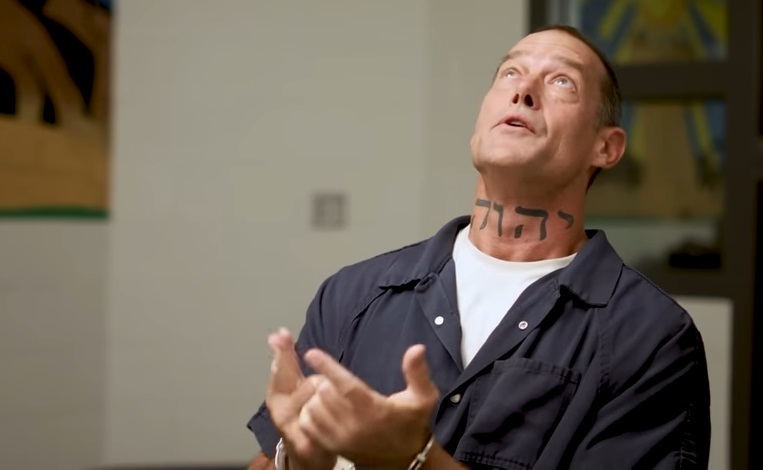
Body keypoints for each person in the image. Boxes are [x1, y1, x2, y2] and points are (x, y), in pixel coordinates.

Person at [246, 24, 711, 470]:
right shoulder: (353, 296)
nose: (523, 90)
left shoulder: (651, 337)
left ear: (606, 148)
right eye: (510, 72)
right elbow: (272, 459)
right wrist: (301, 459)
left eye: (561, 81)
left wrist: (416, 459)